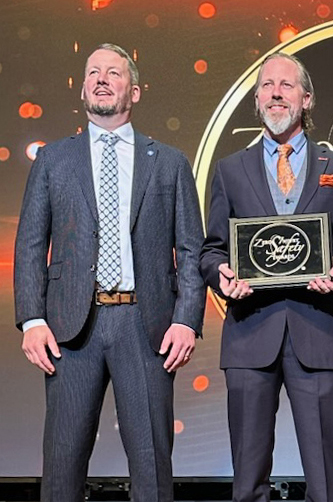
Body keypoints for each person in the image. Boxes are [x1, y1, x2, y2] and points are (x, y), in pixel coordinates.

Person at [13, 43, 205, 502]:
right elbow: (31, 244)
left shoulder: (171, 163)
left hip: (146, 326)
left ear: (134, 91)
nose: (101, 79)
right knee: (61, 467)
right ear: (82, 87)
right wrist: (33, 319)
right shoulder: (54, 160)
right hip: (69, 331)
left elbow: (193, 251)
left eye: (113, 73)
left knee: (153, 467)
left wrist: (186, 321)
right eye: (93, 72)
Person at [200, 52, 333, 502]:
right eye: (267, 87)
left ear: (306, 99)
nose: (276, 93)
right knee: (247, 482)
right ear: (257, 100)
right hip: (249, 337)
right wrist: (222, 275)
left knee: (325, 483)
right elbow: (212, 250)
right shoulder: (229, 170)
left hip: (318, 334)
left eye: (287, 85)